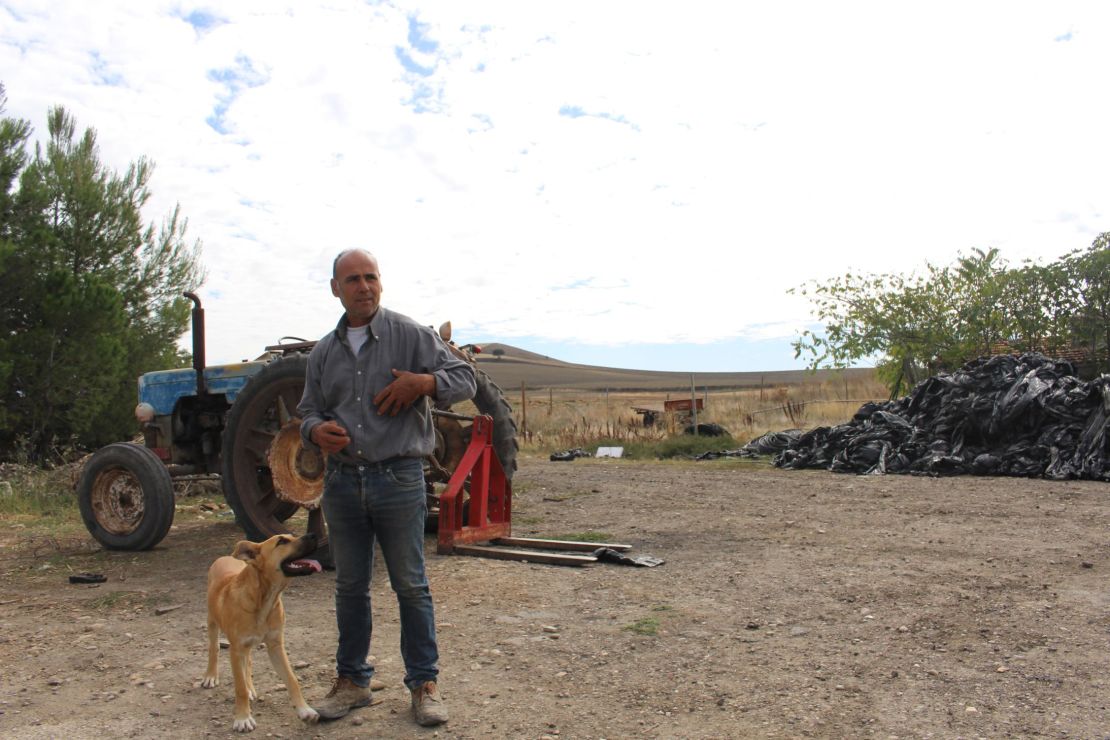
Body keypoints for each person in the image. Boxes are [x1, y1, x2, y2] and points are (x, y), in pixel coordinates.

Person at [297, 248, 476, 727]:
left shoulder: (409, 335)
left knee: (411, 586)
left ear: (381, 283)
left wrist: (422, 383)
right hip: (342, 482)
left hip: (398, 478)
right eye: (352, 279)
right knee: (350, 587)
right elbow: (307, 410)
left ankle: (424, 685)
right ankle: (353, 682)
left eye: (370, 277)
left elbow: (466, 378)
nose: (363, 286)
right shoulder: (322, 353)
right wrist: (315, 431)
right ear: (336, 289)